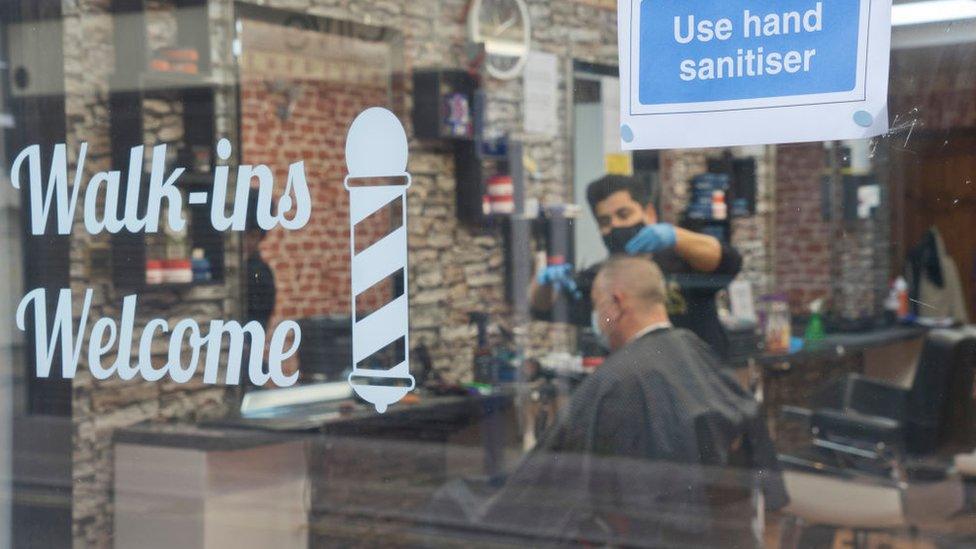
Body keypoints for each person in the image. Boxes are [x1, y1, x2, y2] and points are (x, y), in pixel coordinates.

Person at [470, 257, 786, 547]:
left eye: (596, 306)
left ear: (616, 304)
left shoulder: (618, 379)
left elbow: (559, 479)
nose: (596, 318)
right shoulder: (694, 349)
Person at [530, 174, 742, 359]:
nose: (615, 226)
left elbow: (729, 261)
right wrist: (545, 283)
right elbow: (542, 308)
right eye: (605, 221)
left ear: (649, 213)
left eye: (624, 215)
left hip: (702, 383)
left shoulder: (682, 262)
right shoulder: (601, 281)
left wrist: (675, 235)